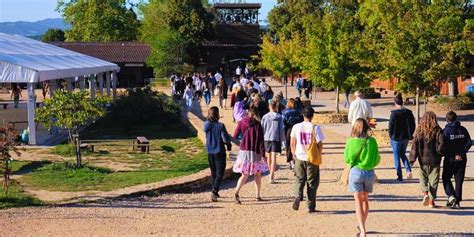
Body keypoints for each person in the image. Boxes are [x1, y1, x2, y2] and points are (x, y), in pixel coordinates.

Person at [344, 118, 381, 237]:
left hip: (356, 172)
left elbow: (347, 159)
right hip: (369, 172)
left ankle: (362, 229)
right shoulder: (372, 141)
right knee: (365, 200)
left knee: (358, 201)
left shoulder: (350, 142)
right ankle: (362, 225)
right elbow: (377, 160)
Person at [290, 106, 325, 213]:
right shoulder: (315, 128)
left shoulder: (296, 126)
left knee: (299, 178)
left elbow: (292, 143)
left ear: (303, 115)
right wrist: (318, 154)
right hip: (311, 159)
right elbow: (320, 144)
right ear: (312, 116)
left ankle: (298, 195)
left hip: (299, 157)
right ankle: (310, 207)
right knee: (312, 182)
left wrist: (294, 155)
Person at [233, 107, 269, 204]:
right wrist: (263, 155)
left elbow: (235, 135)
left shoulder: (242, 122)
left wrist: (243, 140)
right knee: (257, 173)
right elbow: (261, 142)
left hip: (244, 151)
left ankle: (236, 192)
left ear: (248, 113)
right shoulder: (258, 125)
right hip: (255, 152)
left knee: (244, 174)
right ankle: (257, 195)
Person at [409, 111, 445, 208]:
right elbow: (441, 146)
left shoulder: (419, 131)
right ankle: (431, 201)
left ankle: (425, 194)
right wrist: (441, 153)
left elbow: (414, 147)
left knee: (423, 178)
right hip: (435, 160)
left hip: (423, 160)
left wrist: (412, 160)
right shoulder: (438, 131)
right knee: (434, 181)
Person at [442, 111, 472, 209]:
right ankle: (457, 202)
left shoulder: (446, 131)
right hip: (462, 158)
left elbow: (444, 145)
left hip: (450, 158)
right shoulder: (463, 129)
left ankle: (451, 195)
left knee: (446, 177)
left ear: (447, 120)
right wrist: (461, 153)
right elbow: (468, 143)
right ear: (456, 119)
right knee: (459, 180)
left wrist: (452, 155)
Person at [204, 107, 231, 202]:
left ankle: (214, 189)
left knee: (214, 172)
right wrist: (228, 144)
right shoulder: (220, 126)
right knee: (220, 173)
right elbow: (225, 139)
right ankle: (214, 191)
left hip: (210, 151)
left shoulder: (206, 125)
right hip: (219, 151)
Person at [388, 94, 416, 181]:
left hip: (396, 138)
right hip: (406, 137)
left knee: (396, 156)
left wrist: (391, 135)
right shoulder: (408, 112)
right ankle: (408, 170)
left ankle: (399, 175)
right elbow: (413, 125)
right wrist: (410, 134)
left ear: (395, 103)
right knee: (402, 154)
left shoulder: (393, 114)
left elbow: (390, 126)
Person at [261, 100, 286, 183]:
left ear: (269, 106)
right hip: (276, 138)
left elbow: (262, 128)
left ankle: (269, 173)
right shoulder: (279, 117)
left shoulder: (265, 117)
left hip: (267, 138)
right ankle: (271, 176)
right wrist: (283, 140)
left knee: (268, 156)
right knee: (274, 157)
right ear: (275, 107)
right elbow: (281, 130)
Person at [283, 99, 303, 169]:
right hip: (297, 129)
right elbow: (301, 121)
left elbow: (284, 122)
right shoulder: (298, 112)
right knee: (296, 145)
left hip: (289, 129)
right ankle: (295, 159)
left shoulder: (285, 112)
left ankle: (289, 161)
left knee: (288, 145)